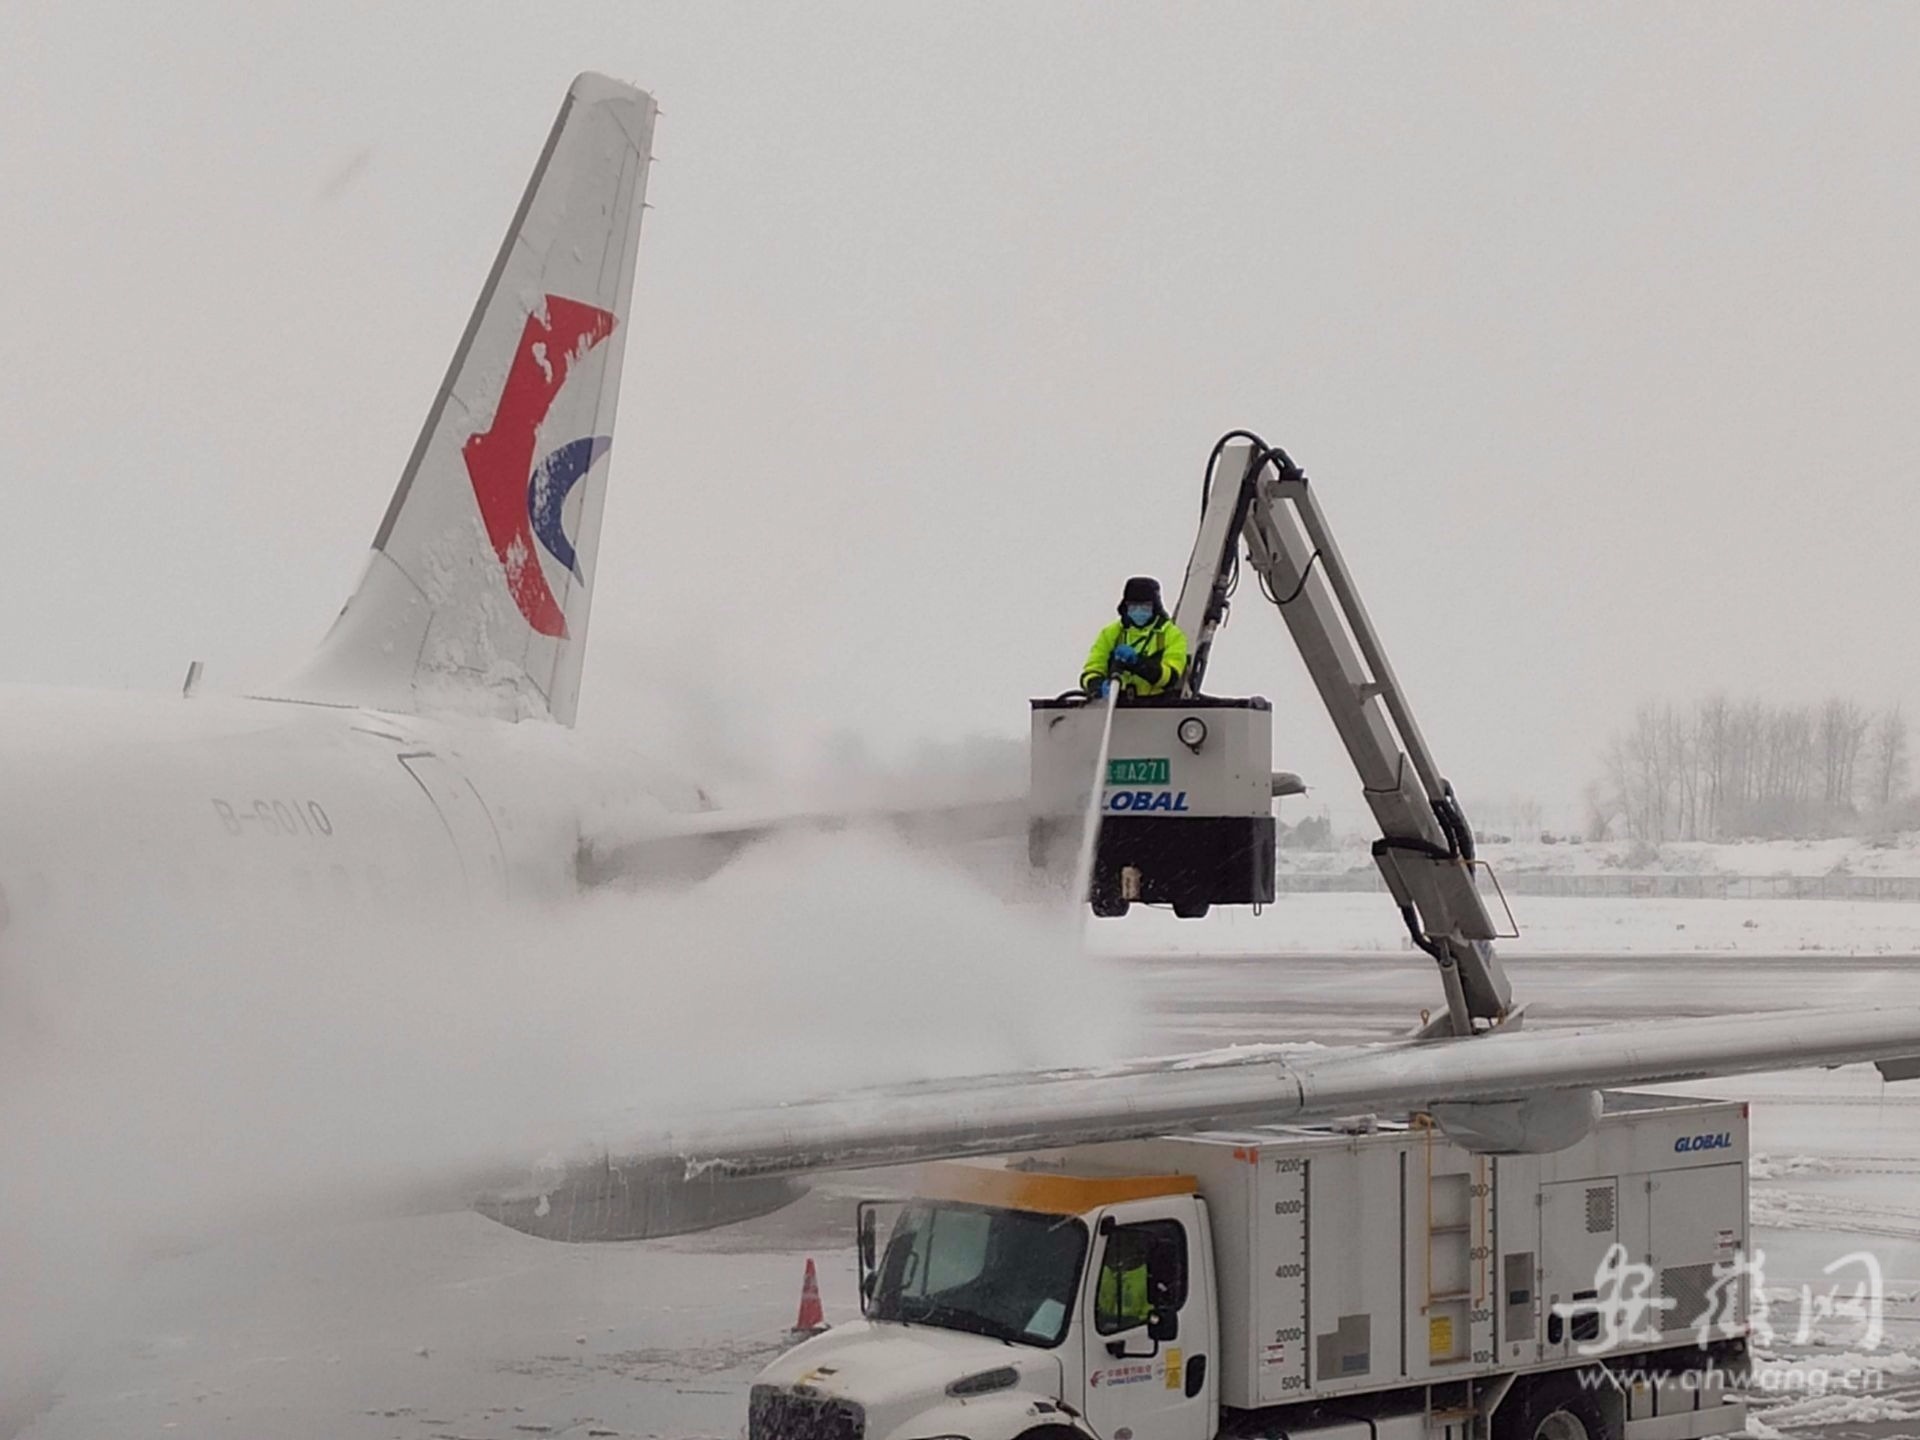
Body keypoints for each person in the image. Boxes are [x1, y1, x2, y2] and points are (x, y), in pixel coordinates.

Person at [1081, 576, 1188, 699]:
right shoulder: (1110, 633)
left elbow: (1171, 677)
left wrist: (1138, 663)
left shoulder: (1171, 635)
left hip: (1157, 706)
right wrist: (1098, 686)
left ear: (1155, 607)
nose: (1139, 611)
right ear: (1125, 607)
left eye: (1145, 607)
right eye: (1133, 606)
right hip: (1117, 706)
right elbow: (1091, 669)